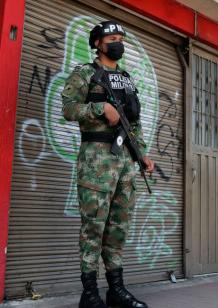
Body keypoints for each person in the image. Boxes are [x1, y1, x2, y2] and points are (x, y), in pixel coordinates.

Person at [62, 20, 153, 308]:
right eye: (111, 37)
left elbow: (133, 122)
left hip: (125, 161)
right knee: (93, 227)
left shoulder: (127, 78)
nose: (117, 41)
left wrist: (143, 154)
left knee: (118, 227)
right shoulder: (85, 74)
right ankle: (89, 294)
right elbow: (68, 109)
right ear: (98, 43)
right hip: (96, 160)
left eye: (120, 37)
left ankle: (116, 290)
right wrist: (101, 108)